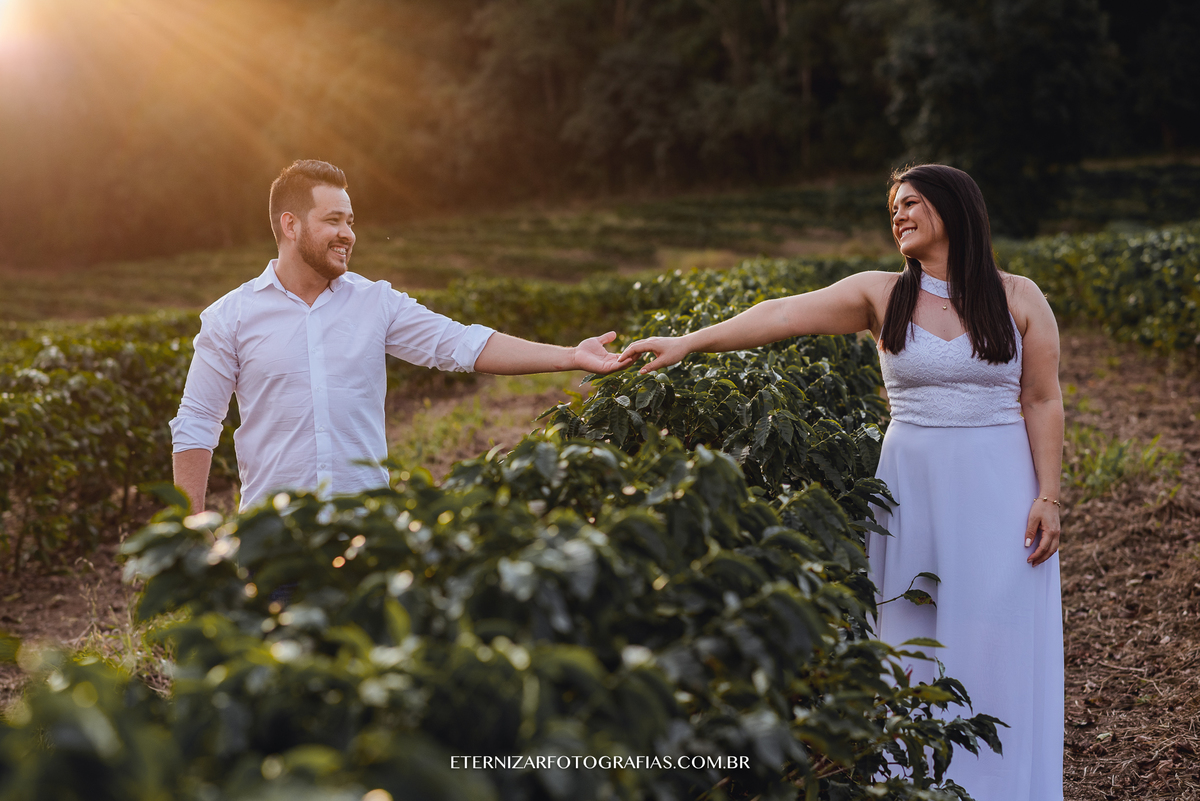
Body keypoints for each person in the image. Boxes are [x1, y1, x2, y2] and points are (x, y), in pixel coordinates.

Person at [620, 164, 1064, 800]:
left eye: (911, 202)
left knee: (999, 628)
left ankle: (999, 783)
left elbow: (1043, 401)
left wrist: (1048, 495)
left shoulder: (1019, 297)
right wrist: (689, 342)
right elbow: (779, 315)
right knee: (912, 628)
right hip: (913, 484)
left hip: (999, 484)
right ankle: (917, 779)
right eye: (893, 207)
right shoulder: (880, 294)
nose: (898, 215)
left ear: (954, 208)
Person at [170, 159, 631, 513]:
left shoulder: (377, 303)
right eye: (333, 220)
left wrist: (571, 354)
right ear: (290, 225)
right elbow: (197, 422)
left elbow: (462, 344)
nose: (347, 234)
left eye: (350, 221)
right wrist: (190, 529)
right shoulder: (229, 317)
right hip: (272, 542)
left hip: (368, 535)